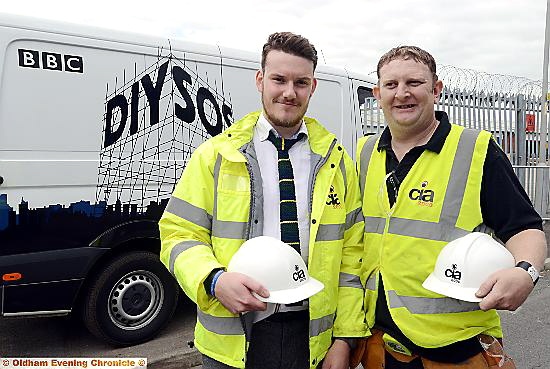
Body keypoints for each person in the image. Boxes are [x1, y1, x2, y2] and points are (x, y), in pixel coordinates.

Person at [159, 32, 366, 369]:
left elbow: (352, 258)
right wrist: (214, 280)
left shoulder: (337, 161)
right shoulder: (216, 156)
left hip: (313, 336)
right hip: (233, 336)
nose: (289, 92)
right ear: (260, 80)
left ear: (312, 87)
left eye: (300, 82)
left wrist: (344, 338)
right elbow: (178, 234)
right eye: (278, 79)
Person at [355, 45, 547, 368]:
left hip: (457, 350)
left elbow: (525, 228)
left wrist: (525, 273)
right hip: (381, 346)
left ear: (436, 89)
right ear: (377, 93)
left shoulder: (475, 151)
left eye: (414, 83)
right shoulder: (364, 152)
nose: (402, 93)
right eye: (391, 85)